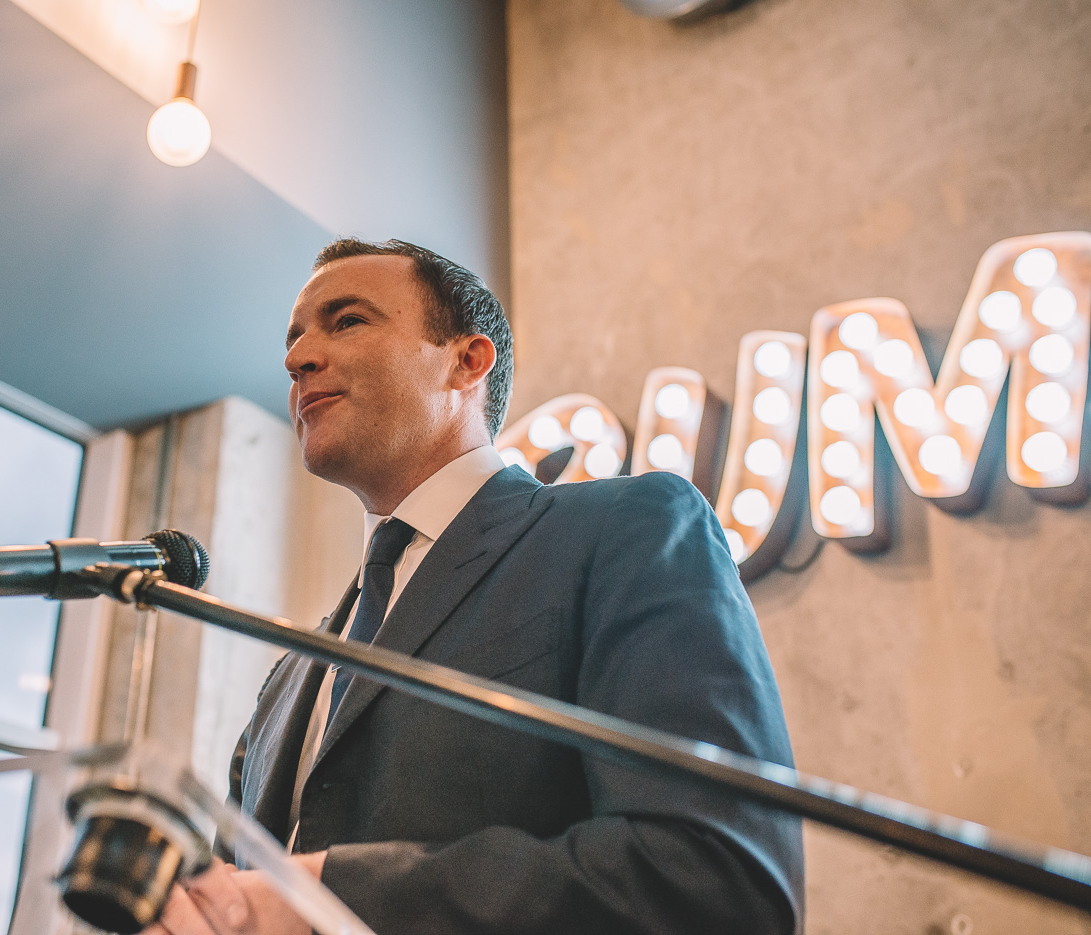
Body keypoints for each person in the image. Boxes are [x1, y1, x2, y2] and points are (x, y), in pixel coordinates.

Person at [150, 239, 804, 935]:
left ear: (468, 361)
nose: (298, 358)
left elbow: (719, 876)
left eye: (347, 321)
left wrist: (332, 892)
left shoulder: (625, 529)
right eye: (295, 338)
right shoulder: (288, 678)